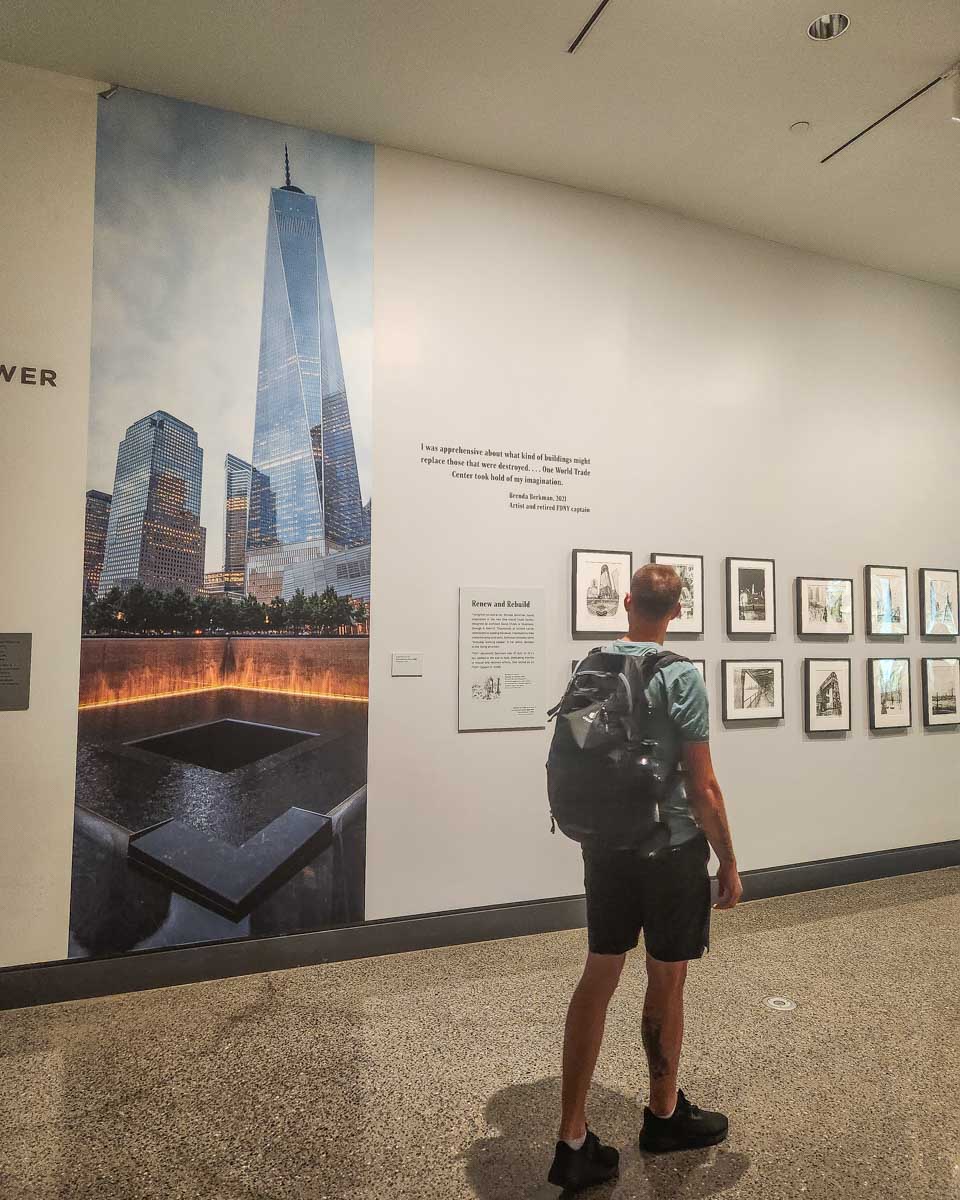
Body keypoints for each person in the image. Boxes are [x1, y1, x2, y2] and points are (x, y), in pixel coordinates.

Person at [548, 563, 743, 1192]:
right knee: (667, 979)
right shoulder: (681, 676)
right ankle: (663, 1115)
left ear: (627, 602)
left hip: (605, 849)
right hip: (671, 851)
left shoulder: (592, 665)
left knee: (598, 976)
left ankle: (571, 1137)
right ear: (677, 611)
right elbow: (702, 786)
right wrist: (728, 860)